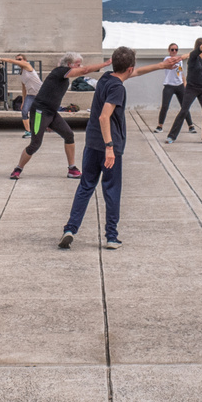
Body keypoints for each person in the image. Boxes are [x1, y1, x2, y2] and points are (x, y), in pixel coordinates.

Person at [58, 46, 179, 250]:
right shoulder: (117, 88)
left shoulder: (106, 78)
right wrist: (110, 148)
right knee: (111, 190)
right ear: (129, 68)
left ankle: (70, 228)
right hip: (108, 146)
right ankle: (111, 236)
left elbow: (135, 72)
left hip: (92, 142)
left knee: (86, 186)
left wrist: (161, 66)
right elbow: (104, 116)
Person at [13, 52, 109, 179]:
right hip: (39, 112)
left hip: (52, 112)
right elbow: (85, 70)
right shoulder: (60, 71)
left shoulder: (63, 73)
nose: (80, 67)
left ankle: (72, 169)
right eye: (78, 64)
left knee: (69, 135)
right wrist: (107, 63)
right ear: (69, 65)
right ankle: (18, 168)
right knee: (35, 144)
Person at [166, 30, 202, 144]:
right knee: (184, 111)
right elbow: (198, 50)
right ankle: (171, 136)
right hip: (191, 88)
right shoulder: (194, 57)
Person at [0, 54, 43, 138]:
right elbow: (24, 89)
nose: (18, 61)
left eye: (20, 59)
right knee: (24, 111)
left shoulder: (28, 65)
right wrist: (23, 101)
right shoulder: (21, 73)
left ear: (25, 60)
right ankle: (28, 132)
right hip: (31, 95)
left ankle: (45, 128)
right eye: (17, 60)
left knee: (41, 113)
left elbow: (11, 61)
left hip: (41, 94)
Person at [154, 43, 195, 133]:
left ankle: (190, 125)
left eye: (176, 50)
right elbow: (173, 61)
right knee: (165, 106)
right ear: (169, 50)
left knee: (184, 106)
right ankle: (160, 126)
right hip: (169, 85)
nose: (174, 51)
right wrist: (187, 55)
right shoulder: (167, 59)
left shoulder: (180, 61)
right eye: (172, 49)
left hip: (179, 85)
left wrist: (185, 84)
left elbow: (181, 73)